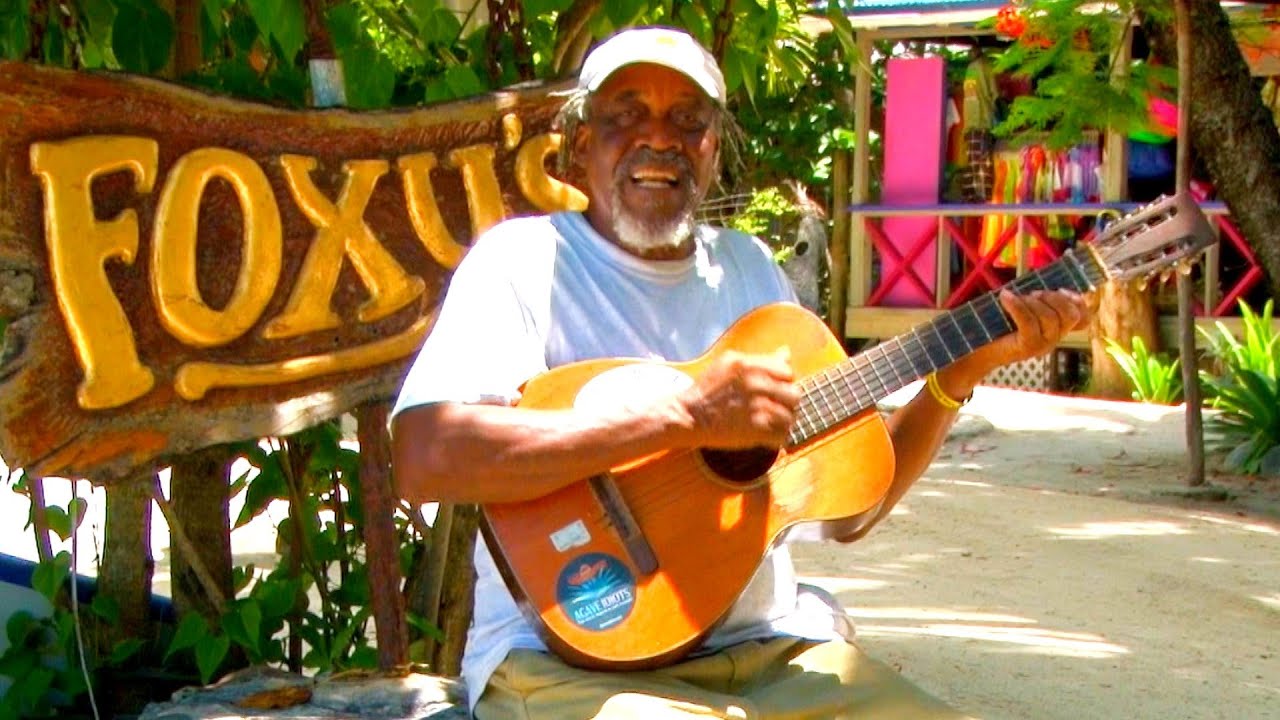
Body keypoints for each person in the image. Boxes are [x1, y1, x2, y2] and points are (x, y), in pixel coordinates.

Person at [391, 26, 1089, 720]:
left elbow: (846, 511)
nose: (658, 138)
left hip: (768, 655)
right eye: (627, 113)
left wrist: (956, 376)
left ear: (712, 149)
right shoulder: (523, 261)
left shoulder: (750, 271)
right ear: (580, 146)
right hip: (563, 666)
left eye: (687, 120)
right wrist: (683, 417)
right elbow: (426, 456)